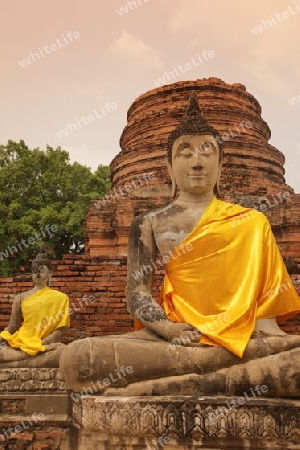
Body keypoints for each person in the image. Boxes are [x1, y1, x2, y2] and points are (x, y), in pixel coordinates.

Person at [59, 94, 300, 396]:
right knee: (80, 358)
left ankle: (183, 381)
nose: (197, 162)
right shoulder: (149, 223)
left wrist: (261, 339)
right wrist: (168, 329)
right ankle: (225, 376)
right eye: (185, 153)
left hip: (244, 339)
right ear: (170, 167)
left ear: (221, 164)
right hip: (175, 338)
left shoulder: (251, 221)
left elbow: (266, 320)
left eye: (207, 152)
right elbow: (137, 294)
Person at [0, 247, 70, 365]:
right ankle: (26, 359)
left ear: (50, 273)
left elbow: (61, 330)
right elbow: (13, 326)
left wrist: (42, 344)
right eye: (34, 271)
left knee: (62, 351)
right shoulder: (20, 297)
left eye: (41, 271)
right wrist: (2, 337)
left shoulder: (61, 298)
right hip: (20, 343)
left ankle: (16, 361)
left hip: (44, 346)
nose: (37, 274)